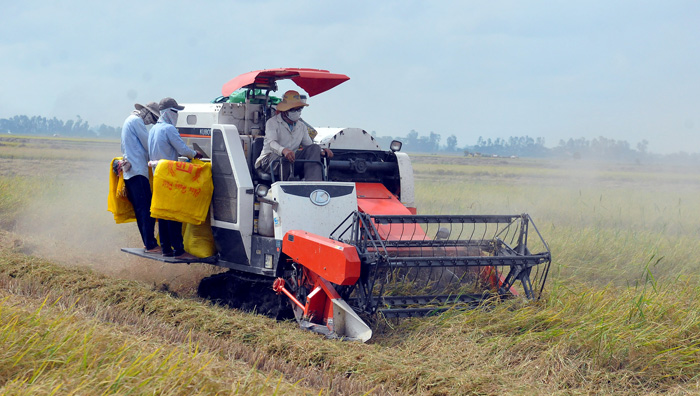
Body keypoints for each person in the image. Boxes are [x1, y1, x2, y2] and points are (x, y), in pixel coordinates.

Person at [148, 97, 201, 260]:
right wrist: (195, 154)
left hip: (158, 175)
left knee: (163, 214)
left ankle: (166, 249)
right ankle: (179, 250)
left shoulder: (153, 130)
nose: (177, 115)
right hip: (170, 177)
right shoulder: (169, 129)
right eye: (175, 111)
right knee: (174, 215)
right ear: (168, 113)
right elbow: (183, 149)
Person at [255, 90, 332, 181]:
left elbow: (308, 145)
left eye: (299, 109)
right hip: (269, 160)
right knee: (284, 158)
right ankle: (285, 187)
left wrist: (322, 151)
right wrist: (284, 150)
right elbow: (272, 143)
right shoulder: (272, 122)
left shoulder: (301, 126)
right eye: (293, 109)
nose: (297, 112)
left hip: (291, 160)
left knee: (314, 148)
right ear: (284, 111)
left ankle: (313, 184)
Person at [120, 101, 160, 253]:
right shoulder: (137, 122)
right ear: (146, 112)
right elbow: (149, 144)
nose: (151, 122)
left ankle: (147, 242)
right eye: (152, 118)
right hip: (137, 170)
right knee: (146, 209)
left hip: (130, 171)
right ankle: (150, 244)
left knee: (140, 209)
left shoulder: (129, 120)